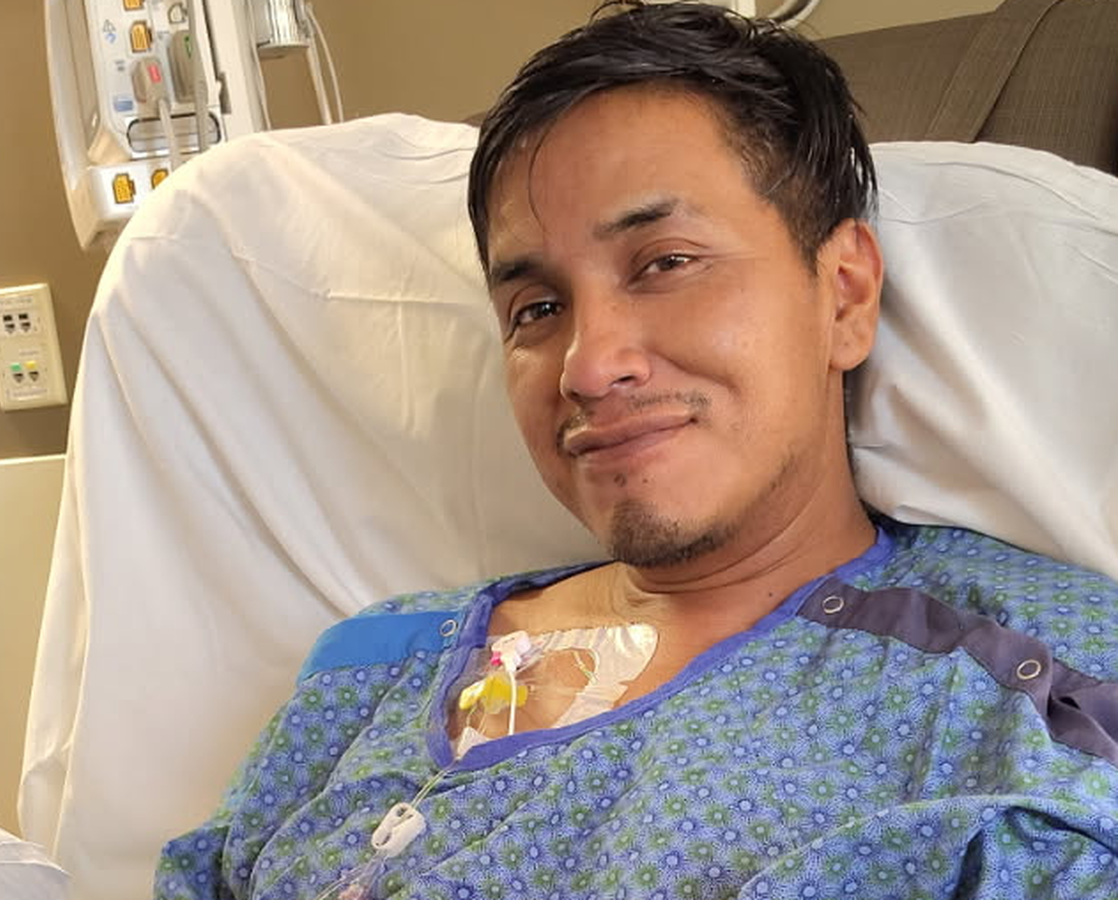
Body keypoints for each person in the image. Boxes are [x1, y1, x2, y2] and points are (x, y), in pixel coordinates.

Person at [154, 3, 1118, 898]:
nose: (588, 364)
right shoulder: (373, 666)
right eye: (537, 309)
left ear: (844, 294)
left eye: (666, 263)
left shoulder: (1032, 700)